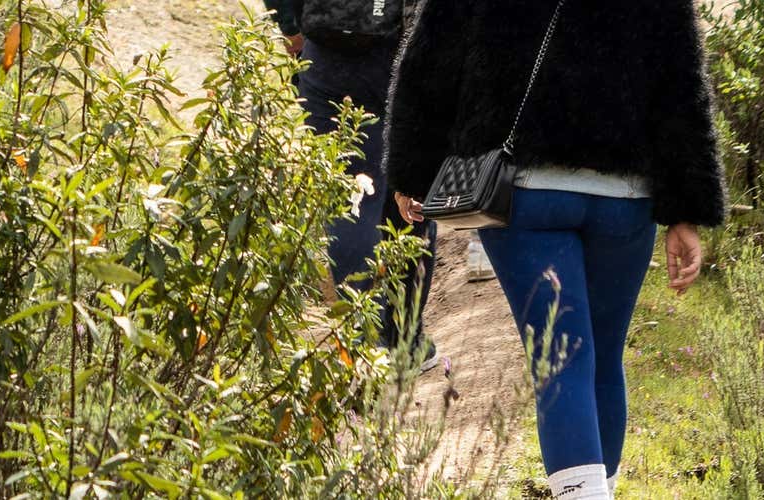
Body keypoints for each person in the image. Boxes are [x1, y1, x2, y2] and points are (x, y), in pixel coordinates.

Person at [384, 0, 726, 498]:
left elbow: (433, 55)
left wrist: (413, 170)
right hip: (625, 198)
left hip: (525, 193)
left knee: (560, 362)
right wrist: (687, 209)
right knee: (604, 359)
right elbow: (680, 78)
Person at [263, 0, 440, 372]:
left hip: (325, 49)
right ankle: (404, 341)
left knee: (351, 192)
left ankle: (363, 346)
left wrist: (291, 26)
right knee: (412, 176)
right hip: (404, 46)